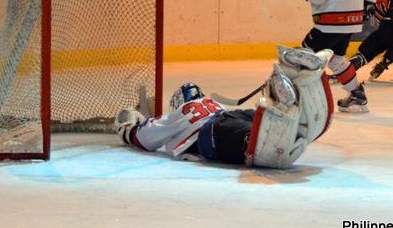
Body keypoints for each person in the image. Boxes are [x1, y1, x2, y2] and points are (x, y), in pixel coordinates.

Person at [115, 45, 334, 169]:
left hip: (212, 133)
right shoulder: (211, 104)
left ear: (180, 101)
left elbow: (145, 137)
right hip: (230, 115)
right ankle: (296, 89)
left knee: (250, 138)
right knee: (262, 119)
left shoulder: (182, 113)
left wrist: (127, 128)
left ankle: (276, 121)